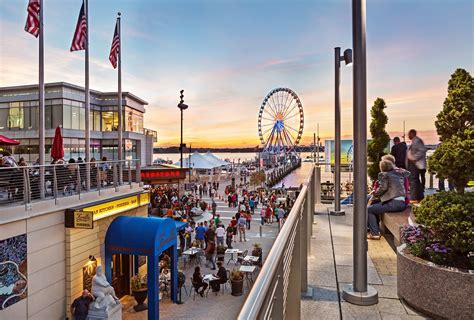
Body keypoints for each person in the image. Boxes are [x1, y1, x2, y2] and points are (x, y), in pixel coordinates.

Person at [367, 159, 410, 239]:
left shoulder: (384, 174)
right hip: (401, 203)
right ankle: (371, 227)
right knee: (373, 205)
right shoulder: (399, 174)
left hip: (393, 204)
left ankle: (374, 233)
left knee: (369, 209)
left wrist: (374, 194)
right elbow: (408, 173)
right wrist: (400, 169)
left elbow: (383, 188)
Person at [406, 129, 427, 202]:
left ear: (413, 134)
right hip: (413, 164)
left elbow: (422, 150)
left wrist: (413, 158)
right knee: (416, 180)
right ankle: (419, 196)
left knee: (413, 180)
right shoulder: (414, 141)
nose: (408, 135)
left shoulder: (417, 141)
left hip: (416, 164)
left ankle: (414, 198)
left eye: (409, 134)